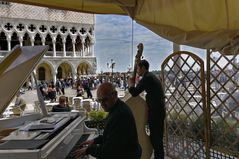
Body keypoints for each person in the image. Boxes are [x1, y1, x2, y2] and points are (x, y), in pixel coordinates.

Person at [73, 82, 141, 159]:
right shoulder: (116, 108)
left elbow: (109, 151)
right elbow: (112, 136)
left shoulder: (120, 115)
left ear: (115, 95)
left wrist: (88, 150)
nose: (102, 104)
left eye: (105, 99)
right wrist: (95, 141)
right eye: (99, 100)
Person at [128, 59, 166, 159]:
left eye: (138, 69)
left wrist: (131, 84)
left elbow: (134, 92)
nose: (137, 71)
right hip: (158, 110)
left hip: (156, 112)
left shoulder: (147, 78)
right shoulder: (151, 76)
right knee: (157, 137)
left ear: (143, 68)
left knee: (156, 138)